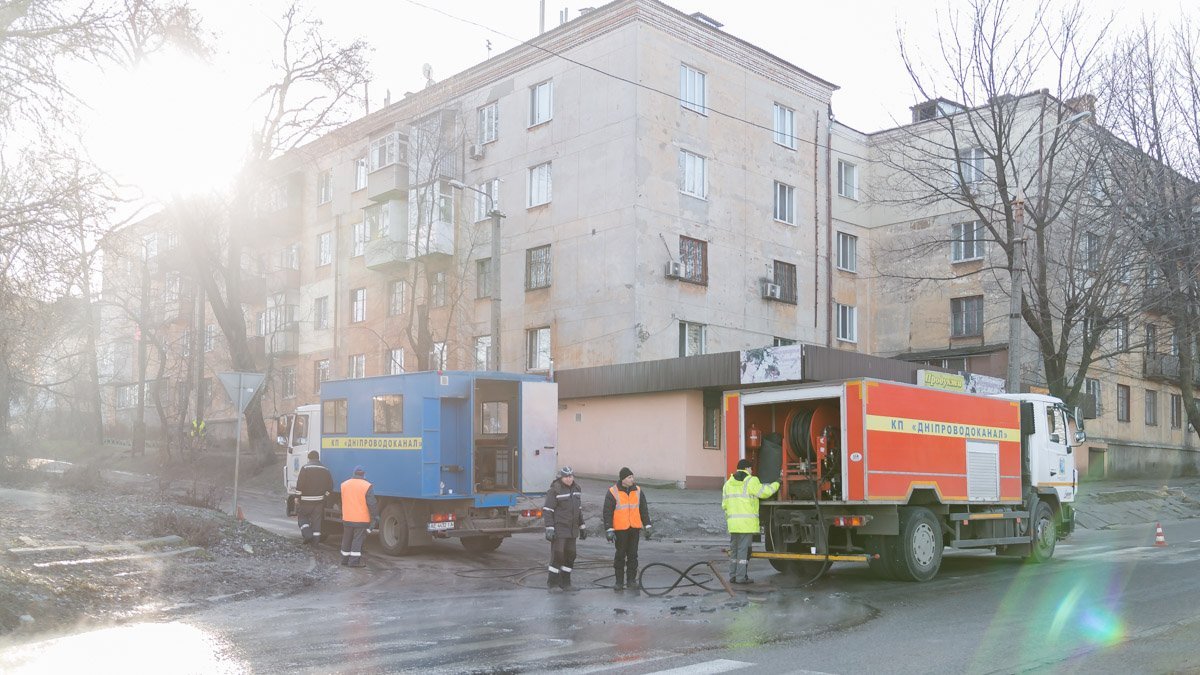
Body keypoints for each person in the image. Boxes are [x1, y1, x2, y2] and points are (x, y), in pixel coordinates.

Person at [722, 458, 779, 585]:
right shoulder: (751, 481)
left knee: (735, 550)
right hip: (746, 524)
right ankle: (741, 577)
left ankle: (733, 575)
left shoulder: (728, 484)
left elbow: (724, 505)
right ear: (747, 468)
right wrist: (777, 483)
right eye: (751, 468)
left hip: (733, 524)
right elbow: (765, 492)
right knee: (743, 550)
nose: (752, 471)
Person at [602, 467, 652, 593]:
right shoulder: (613, 492)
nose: (632, 479)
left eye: (632, 477)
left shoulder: (638, 491)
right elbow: (607, 512)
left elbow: (643, 510)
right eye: (629, 477)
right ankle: (619, 582)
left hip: (634, 528)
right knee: (620, 555)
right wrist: (609, 529)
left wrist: (647, 525)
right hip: (620, 529)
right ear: (623, 479)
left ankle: (631, 581)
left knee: (633, 555)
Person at [543, 466, 586, 591]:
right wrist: (549, 528)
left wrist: (582, 526)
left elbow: (578, 510)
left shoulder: (577, 489)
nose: (569, 479)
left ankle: (565, 582)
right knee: (558, 555)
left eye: (571, 476)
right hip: (559, 528)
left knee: (571, 555)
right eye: (566, 477)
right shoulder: (555, 490)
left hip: (572, 529)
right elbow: (548, 510)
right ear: (561, 477)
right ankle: (553, 583)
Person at [339, 466, 379, 567]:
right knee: (357, 539)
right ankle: (354, 562)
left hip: (347, 517)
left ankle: (344, 560)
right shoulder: (367, 485)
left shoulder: (344, 484)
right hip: (361, 519)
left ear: (353, 473)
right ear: (364, 475)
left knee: (346, 538)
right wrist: (375, 516)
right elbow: (371, 503)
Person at [295, 450, 332, 544]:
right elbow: (330, 486)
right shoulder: (325, 469)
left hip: (305, 500)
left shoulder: (305, 468)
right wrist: (325, 496)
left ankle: (307, 535)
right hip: (319, 501)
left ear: (309, 458)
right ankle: (315, 542)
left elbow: (300, 484)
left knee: (302, 517)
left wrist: (297, 497)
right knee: (317, 521)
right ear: (318, 458)